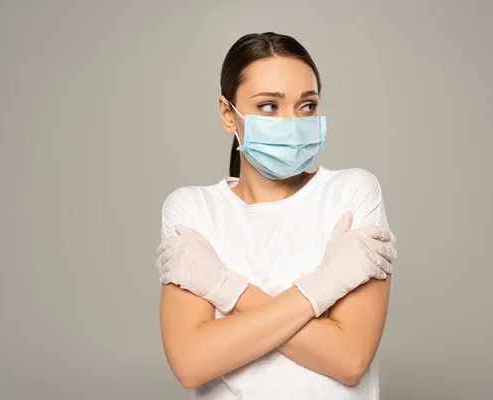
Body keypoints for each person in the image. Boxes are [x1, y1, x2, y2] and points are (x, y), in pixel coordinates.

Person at [155, 32, 398, 399]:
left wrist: (223, 288)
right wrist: (325, 286)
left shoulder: (351, 193)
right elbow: (191, 364)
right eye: (269, 106)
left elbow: (349, 359)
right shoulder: (192, 210)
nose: (292, 122)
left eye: (307, 106)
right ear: (227, 114)